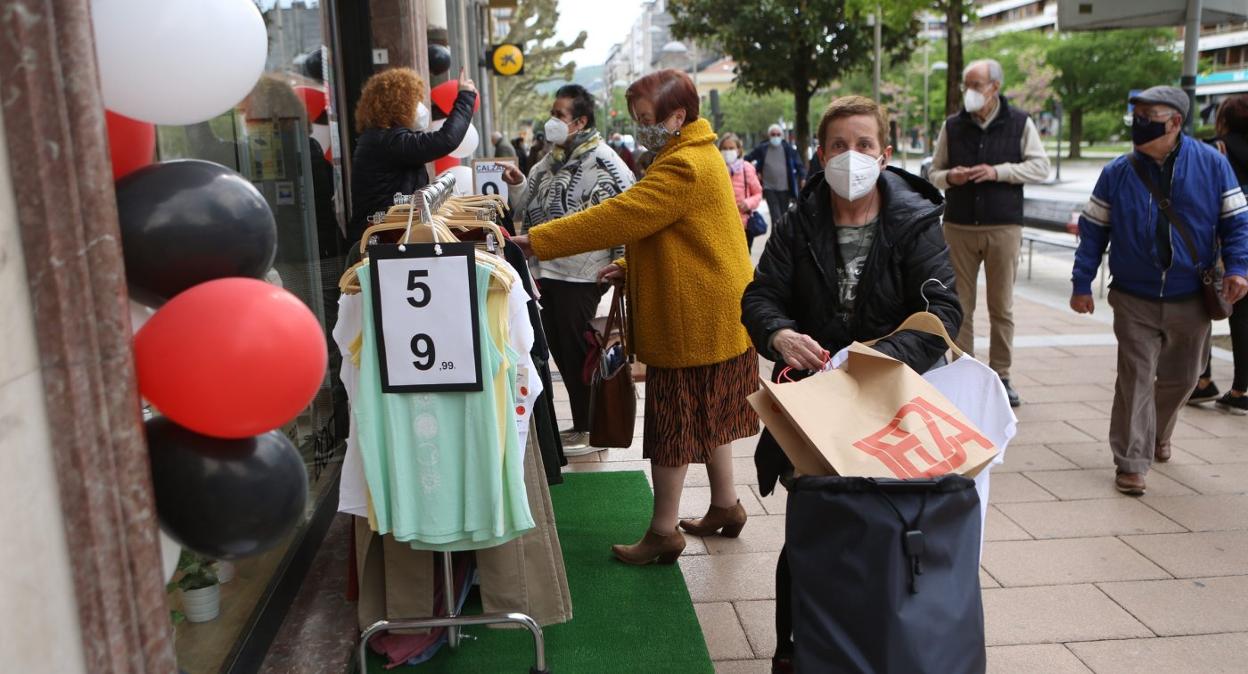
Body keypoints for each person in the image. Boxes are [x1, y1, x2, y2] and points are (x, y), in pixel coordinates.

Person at [741, 95, 962, 674]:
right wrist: (780, 335)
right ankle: (795, 650)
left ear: (885, 154)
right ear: (819, 154)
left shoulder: (916, 223)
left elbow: (944, 314)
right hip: (813, 405)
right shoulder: (797, 223)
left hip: (889, 403)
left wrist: (874, 357)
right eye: (839, 145)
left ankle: (881, 644)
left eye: (864, 145)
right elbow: (760, 296)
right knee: (813, 526)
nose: (851, 156)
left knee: (886, 529)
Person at [512, 69, 758, 566]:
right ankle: (726, 506)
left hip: (693, 319)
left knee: (673, 425)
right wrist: (629, 265)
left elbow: (623, 215)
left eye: (647, 119)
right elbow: (678, 232)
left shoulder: (683, 165)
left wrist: (536, 240)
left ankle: (664, 532)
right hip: (715, 312)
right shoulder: (695, 154)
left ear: (677, 116)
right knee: (711, 416)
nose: (640, 127)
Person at [1071, 85, 1248, 496]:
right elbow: (1093, 230)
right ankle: (1132, 461)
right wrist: (1082, 282)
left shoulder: (1211, 164)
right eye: (1137, 114)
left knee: (1184, 378)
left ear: (1176, 123)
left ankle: (1157, 433)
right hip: (1134, 295)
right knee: (1134, 378)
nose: (1140, 122)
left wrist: (1238, 268)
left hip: (1192, 294)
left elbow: (1236, 223)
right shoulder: (1117, 171)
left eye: (1150, 115)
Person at [500, 84, 636, 453]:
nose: (552, 121)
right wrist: (518, 184)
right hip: (546, 269)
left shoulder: (606, 162)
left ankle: (592, 427)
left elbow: (627, 214)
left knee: (577, 349)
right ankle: (582, 424)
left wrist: (622, 264)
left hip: (583, 273)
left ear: (580, 121)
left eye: (559, 115)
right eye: (553, 113)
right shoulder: (549, 159)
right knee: (560, 346)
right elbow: (527, 206)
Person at [928, 59, 1051, 408]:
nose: (968, 92)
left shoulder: (1020, 122)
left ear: (994, 87)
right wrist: (952, 177)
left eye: (975, 85)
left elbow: (1040, 166)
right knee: (959, 305)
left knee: (1002, 306)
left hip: (1003, 226)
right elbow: (934, 172)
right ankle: (963, 373)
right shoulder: (952, 126)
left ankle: (1002, 375)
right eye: (965, 85)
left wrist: (998, 172)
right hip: (959, 226)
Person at [347, 67, 477, 244]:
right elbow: (446, 140)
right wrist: (466, 97)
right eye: (416, 101)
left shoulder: (380, 138)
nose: (421, 108)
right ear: (399, 104)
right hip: (384, 238)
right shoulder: (389, 141)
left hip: (383, 234)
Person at [1190, 94, 1248, 413]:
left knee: (1207, 306)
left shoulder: (1215, 149)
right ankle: (1241, 390)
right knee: (1244, 316)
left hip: (1222, 240)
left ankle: (1202, 380)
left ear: (1222, 119)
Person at [747, 124, 806, 227]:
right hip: (769, 188)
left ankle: (782, 239)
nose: (775, 136)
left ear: (782, 136)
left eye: (778, 134)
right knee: (776, 216)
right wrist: (751, 172)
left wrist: (803, 177)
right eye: (773, 134)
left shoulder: (788, 149)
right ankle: (776, 240)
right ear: (769, 136)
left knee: (784, 216)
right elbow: (747, 158)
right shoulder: (763, 148)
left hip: (785, 189)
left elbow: (799, 165)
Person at [719, 132, 763, 251]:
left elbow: (758, 193)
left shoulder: (746, 168)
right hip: (722, 224)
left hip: (744, 224)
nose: (728, 151)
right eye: (724, 148)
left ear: (738, 150)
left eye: (731, 148)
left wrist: (748, 203)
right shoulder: (716, 169)